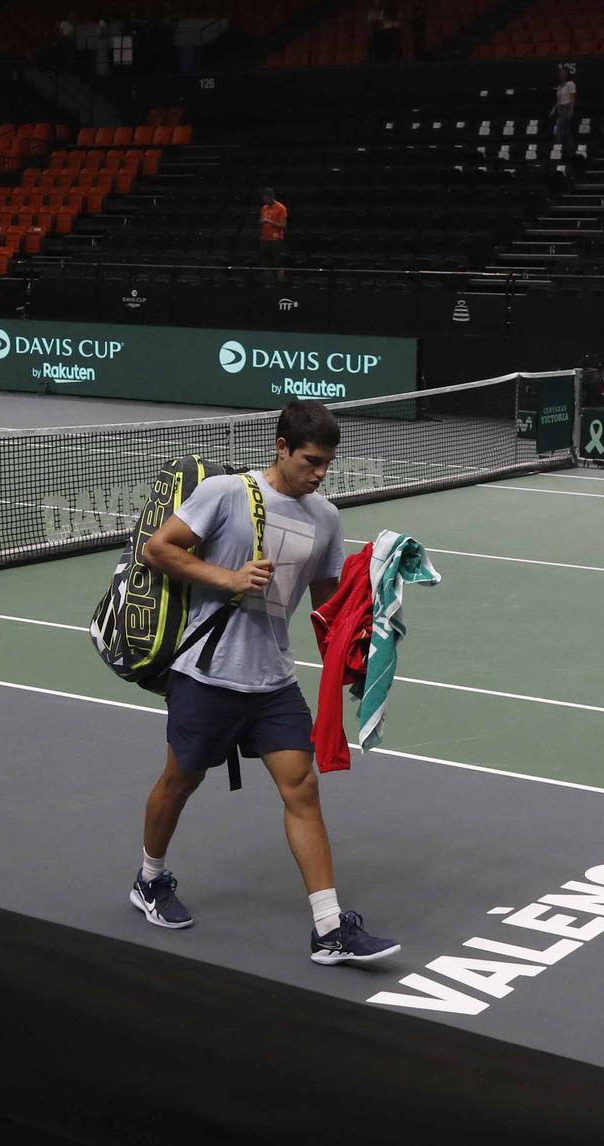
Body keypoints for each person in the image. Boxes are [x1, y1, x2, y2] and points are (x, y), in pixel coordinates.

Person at [131, 400, 400, 966]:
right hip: (206, 673)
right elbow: (159, 550)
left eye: (327, 463)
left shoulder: (325, 517)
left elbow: (328, 609)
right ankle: (149, 878)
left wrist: (360, 653)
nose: (320, 473)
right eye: (311, 460)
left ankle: (328, 927)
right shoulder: (226, 493)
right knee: (180, 781)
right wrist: (226, 577)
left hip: (274, 679)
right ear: (281, 447)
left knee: (301, 788)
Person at [258, 187, 288, 285]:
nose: (265, 200)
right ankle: (269, 285)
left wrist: (268, 221)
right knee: (266, 264)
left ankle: (279, 287)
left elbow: (283, 226)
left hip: (276, 240)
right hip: (265, 240)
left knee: (278, 264)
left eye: (266, 198)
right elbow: (263, 222)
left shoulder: (281, 208)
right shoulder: (264, 208)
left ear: (271, 197)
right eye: (264, 199)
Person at [549, 64, 576, 154]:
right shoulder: (560, 86)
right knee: (565, 131)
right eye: (561, 74)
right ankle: (568, 149)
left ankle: (558, 150)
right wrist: (553, 109)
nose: (562, 75)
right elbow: (558, 99)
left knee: (560, 130)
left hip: (566, 107)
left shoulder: (570, 84)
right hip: (560, 109)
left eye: (564, 73)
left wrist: (571, 110)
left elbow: (572, 97)